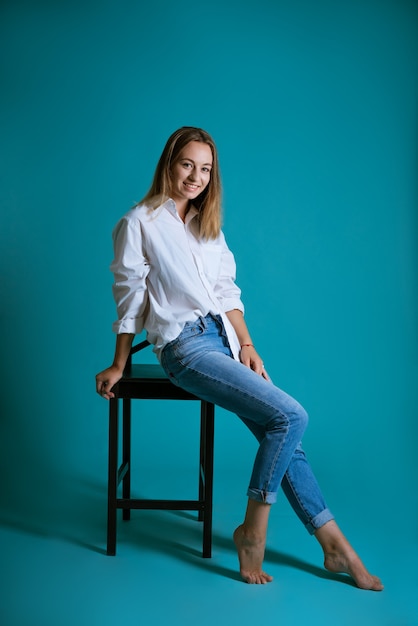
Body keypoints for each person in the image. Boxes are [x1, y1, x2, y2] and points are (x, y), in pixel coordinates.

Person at [95, 126, 383, 589]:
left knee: (284, 431)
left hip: (224, 342)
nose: (195, 176)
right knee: (291, 417)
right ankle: (253, 532)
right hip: (184, 348)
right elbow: (128, 299)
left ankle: (334, 545)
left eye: (205, 169)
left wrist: (247, 346)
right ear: (169, 163)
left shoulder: (209, 227)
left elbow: (227, 293)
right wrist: (119, 363)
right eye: (187, 164)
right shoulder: (139, 222)